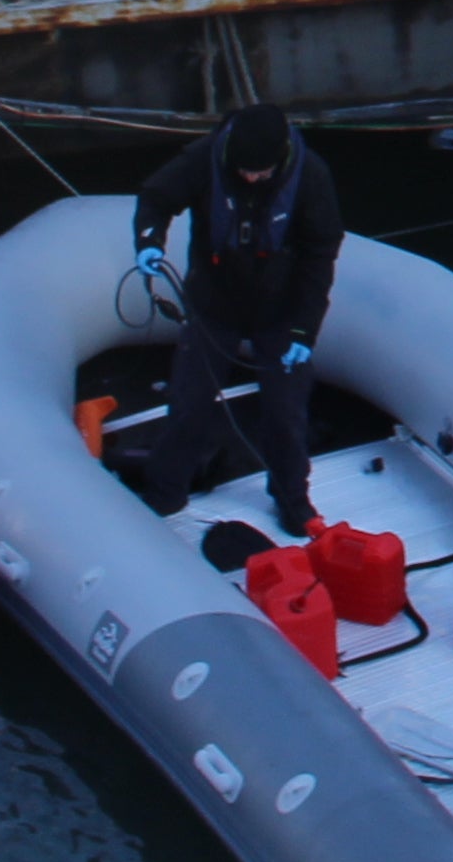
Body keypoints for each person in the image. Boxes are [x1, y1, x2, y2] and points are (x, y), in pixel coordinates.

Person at [128, 103, 343, 539]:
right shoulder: (204, 159)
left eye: (260, 172)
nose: (250, 179)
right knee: (189, 402)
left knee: (285, 413)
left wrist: (304, 330)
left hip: (281, 312)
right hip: (215, 304)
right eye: (244, 170)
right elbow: (156, 198)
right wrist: (149, 240)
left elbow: (320, 256)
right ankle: (165, 492)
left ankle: (292, 500)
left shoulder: (311, 177)